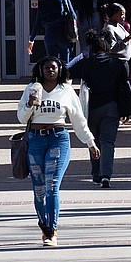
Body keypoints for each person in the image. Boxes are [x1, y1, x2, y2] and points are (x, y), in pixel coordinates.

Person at [17, 56, 100, 246]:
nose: (50, 71)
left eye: (54, 68)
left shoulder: (66, 91)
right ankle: (43, 224)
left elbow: (78, 119)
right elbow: (21, 118)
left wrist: (90, 142)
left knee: (52, 185)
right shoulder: (31, 88)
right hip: (35, 140)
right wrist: (29, 105)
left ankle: (51, 231)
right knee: (39, 189)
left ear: (60, 70)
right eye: (46, 68)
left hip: (58, 138)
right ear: (41, 70)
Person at [69, 31, 130, 188]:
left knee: (93, 140)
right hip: (112, 107)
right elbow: (125, 88)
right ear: (108, 45)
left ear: (91, 47)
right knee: (108, 141)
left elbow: (68, 72)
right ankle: (105, 175)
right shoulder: (117, 63)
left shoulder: (87, 63)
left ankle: (96, 173)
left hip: (91, 108)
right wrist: (126, 110)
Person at [28, 0, 77, 66]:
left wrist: (31, 40)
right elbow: (74, 16)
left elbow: (37, 23)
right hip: (63, 34)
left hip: (49, 35)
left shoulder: (42, 3)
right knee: (65, 64)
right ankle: (64, 74)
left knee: (52, 63)